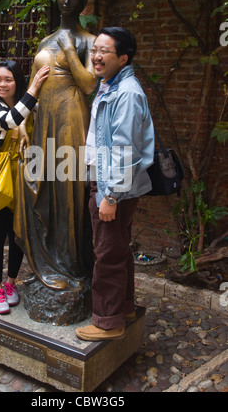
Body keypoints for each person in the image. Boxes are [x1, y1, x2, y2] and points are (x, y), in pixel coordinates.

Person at [15, 0, 97, 292]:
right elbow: (33, 89)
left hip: (71, 118)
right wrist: (22, 122)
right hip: (42, 120)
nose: (65, 0)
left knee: (69, 190)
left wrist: (70, 49)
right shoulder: (45, 41)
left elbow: (90, 83)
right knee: (40, 185)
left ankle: (73, 265)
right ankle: (47, 263)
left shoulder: (89, 41)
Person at [75, 27, 155, 341]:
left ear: (123, 58)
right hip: (107, 183)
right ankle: (124, 307)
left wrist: (110, 195)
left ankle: (109, 322)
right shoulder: (109, 86)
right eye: (95, 49)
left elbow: (125, 150)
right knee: (118, 247)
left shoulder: (127, 93)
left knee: (106, 252)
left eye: (104, 51)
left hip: (112, 187)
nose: (96, 56)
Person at [0, 60, 49, 314]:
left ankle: (11, 284)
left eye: (8, 79)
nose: (2, 84)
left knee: (17, 236)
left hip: (23, 179)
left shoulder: (30, 107)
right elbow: (11, 120)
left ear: (16, 82)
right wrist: (33, 89)